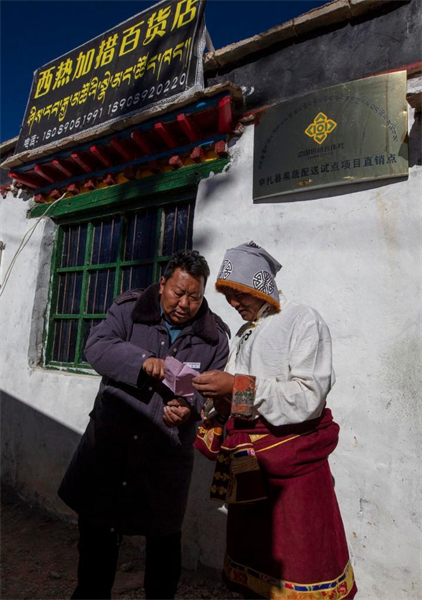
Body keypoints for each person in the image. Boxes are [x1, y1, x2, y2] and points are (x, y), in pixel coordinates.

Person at [58, 249, 230, 600]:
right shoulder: (129, 311)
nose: (184, 303)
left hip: (165, 459)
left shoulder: (214, 339)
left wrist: (189, 408)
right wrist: (143, 361)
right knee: (95, 558)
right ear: (163, 283)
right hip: (111, 449)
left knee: (164, 558)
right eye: (178, 293)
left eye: (194, 297)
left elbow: (208, 396)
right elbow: (97, 347)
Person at [193, 241, 357, 600]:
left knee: (299, 560)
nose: (234, 304)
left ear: (261, 285)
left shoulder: (302, 320)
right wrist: (219, 401)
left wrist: (235, 386)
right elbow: (240, 398)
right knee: (254, 557)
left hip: (293, 467)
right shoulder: (246, 334)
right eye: (227, 296)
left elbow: (307, 397)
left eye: (239, 294)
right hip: (249, 465)